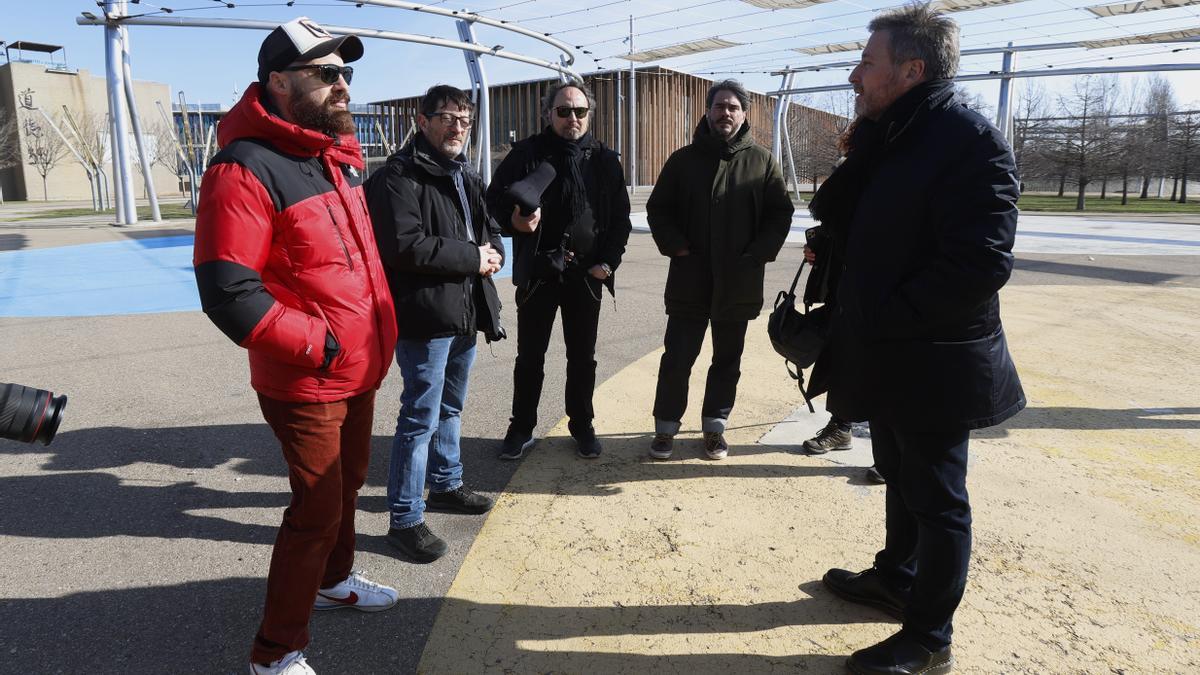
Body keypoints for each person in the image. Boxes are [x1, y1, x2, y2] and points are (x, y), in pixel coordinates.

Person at [810, 5, 1025, 674]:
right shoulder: (895, 132)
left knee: (937, 496)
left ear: (912, 69)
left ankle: (930, 636)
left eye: (867, 64)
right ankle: (895, 576)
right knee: (899, 474)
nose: (854, 75)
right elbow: (892, 225)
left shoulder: (968, 139)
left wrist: (889, 314)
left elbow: (981, 262)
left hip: (932, 358)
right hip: (888, 349)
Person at [192, 17, 399, 675]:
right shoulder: (242, 168)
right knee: (315, 509)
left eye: (346, 73)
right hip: (307, 377)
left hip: (357, 370)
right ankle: (274, 650)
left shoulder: (331, 157)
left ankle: (336, 580)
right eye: (327, 73)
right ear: (279, 81)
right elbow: (229, 291)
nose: (343, 86)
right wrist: (325, 343)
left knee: (349, 488)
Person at [365, 84, 504, 563]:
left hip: (464, 310)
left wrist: (496, 249)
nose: (457, 127)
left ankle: (445, 485)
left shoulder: (464, 173)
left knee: (450, 407)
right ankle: (404, 518)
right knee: (419, 417)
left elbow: (486, 227)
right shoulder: (398, 177)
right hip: (425, 315)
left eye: (464, 119)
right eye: (446, 117)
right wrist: (474, 257)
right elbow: (404, 245)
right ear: (422, 121)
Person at [645, 79, 794, 461]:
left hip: (739, 281)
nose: (724, 113)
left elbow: (780, 213)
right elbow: (659, 209)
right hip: (689, 279)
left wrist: (758, 253)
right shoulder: (683, 160)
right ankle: (665, 428)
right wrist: (675, 245)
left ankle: (715, 427)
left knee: (727, 360)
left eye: (732, 107)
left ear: (744, 114)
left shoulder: (761, 161)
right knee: (677, 358)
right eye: (718, 106)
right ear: (708, 112)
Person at [485, 81, 631, 460]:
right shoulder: (527, 154)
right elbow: (493, 204)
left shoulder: (604, 160)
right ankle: (521, 426)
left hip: (585, 275)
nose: (572, 118)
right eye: (563, 111)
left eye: (579, 111)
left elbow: (619, 220)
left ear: (589, 115)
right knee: (529, 357)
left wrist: (608, 262)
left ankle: (582, 423)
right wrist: (513, 223)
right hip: (538, 273)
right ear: (548, 113)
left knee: (583, 357)